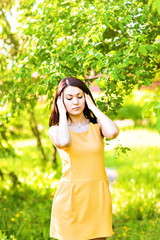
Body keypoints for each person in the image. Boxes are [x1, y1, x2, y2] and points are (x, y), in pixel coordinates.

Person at [48, 77, 119, 240]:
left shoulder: (97, 127)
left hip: (97, 196)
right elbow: (65, 142)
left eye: (80, 97)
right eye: (69, 98)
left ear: (86, 97)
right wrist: (63, 113)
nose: (76, 102)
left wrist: (93, 107)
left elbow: (114, 133)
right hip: (70, 199)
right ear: (60, 101)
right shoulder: (56, 130)